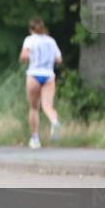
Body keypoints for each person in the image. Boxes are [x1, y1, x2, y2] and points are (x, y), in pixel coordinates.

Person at [20, 18, 63, 149]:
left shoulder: (29, 40)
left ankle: (35, 139)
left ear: (31, 29)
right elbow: (59, 59)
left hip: (34, 74)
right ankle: (54, 121)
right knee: (47, 106)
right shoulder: (51, 41)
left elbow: (24, 56)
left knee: (34, 108)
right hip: (49, 75)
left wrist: (23, 59)